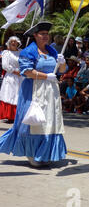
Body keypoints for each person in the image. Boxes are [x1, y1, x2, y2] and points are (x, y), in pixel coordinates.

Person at [0, 22, 67, 167]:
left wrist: (62, 62)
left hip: (50, 91)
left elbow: (62, 70)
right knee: (34, 121)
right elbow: (27, 72)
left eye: (47, 34)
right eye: (42, 34)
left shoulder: (52, 51)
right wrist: (46, 76)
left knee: (49, 121)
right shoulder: (28, 52)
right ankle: (32, 152)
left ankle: (46, 152)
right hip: (33, 90)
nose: (45, 36)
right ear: (35, 36)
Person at [0, 36, 23, 123]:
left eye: (15, 41)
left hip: (21, 76)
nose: (13, 43)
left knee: (19, 94)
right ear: (9, 43)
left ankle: (19, 115)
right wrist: (15, 71)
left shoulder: (21, 52)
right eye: (11, 41)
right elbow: (5, 65)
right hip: (11, 77)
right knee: (10, 94)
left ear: (18, 43)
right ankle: (10, 116)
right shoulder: (6, 53)